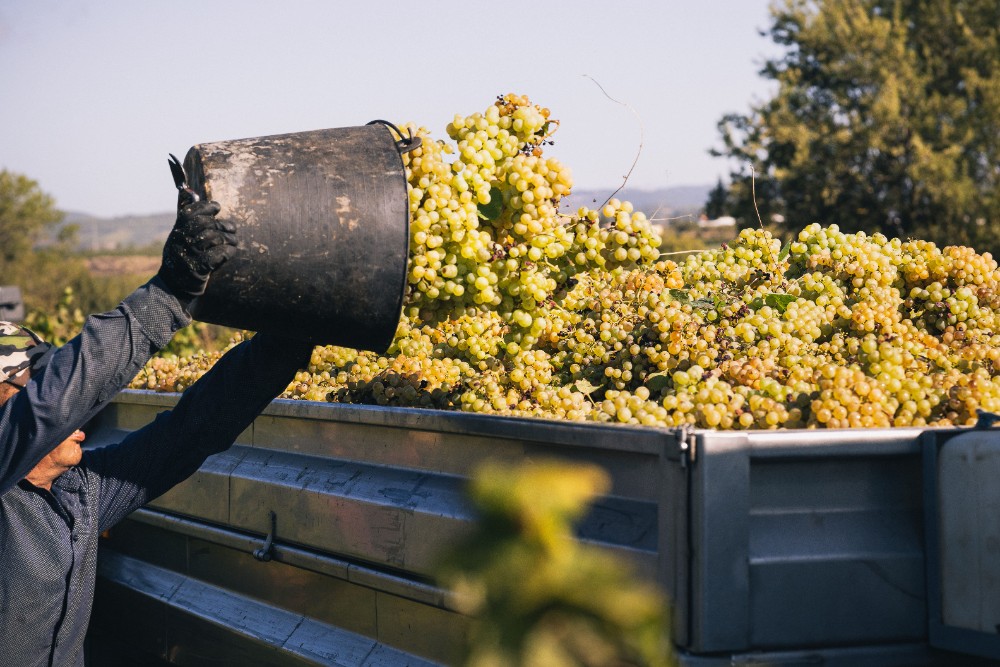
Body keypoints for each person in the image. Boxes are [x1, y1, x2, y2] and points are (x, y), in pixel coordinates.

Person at [0, 190, 314, 667]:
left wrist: (291, 337)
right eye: (32, 382)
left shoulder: (80, 493)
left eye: (52, 377)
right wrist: (170, 291)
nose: (75, 412)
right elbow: (57, 402)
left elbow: (192, 430)